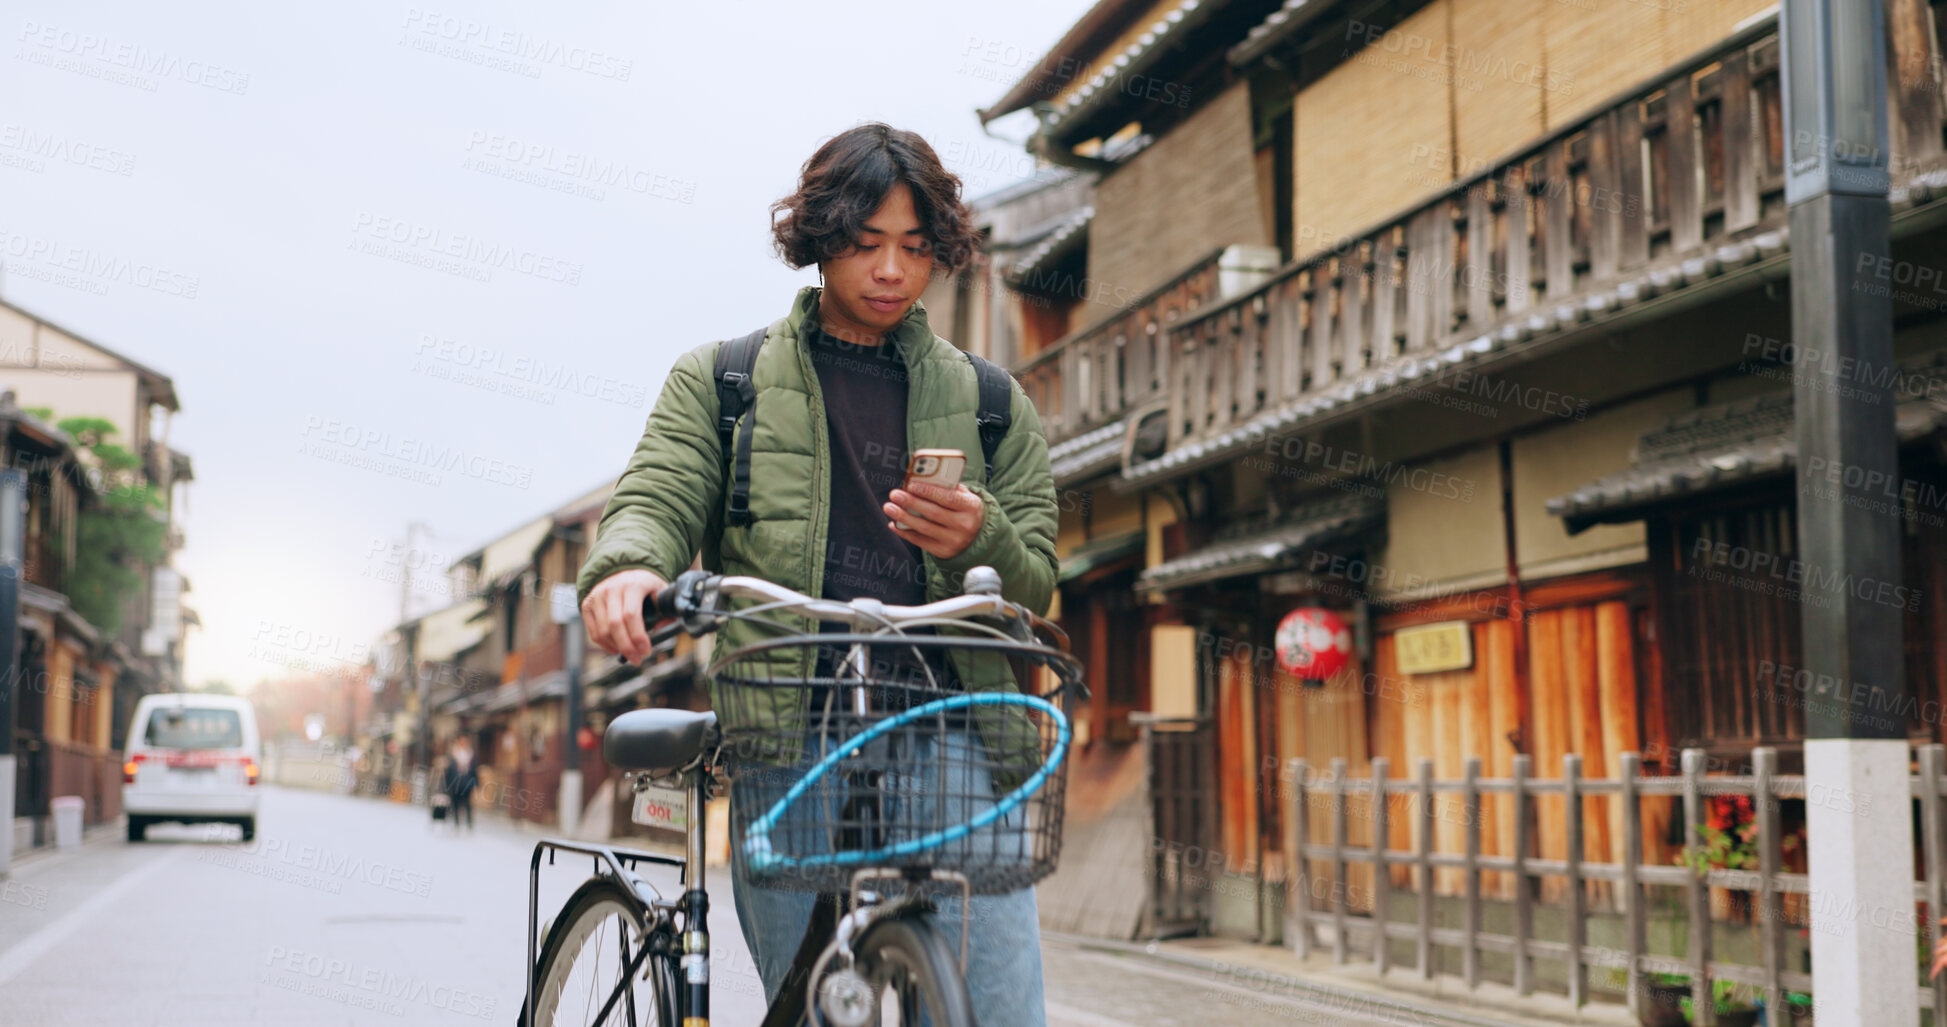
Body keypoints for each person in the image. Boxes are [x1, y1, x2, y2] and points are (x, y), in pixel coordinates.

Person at [575, 122, 1059, 1025]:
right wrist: (631, 567)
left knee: (995, 1007)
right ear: (820, 238)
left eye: (915, 249)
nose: (890, 271)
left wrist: (976, 534)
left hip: (952, 728)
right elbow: (658, 493)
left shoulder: (994, 403)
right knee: (811, 1003)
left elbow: (1033, 575)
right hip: (790, 725)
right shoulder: (721, 382)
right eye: (865, 243)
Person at [440, 738, 477, 831]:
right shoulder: (454, 754)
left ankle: (469, 823)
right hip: (455, 782)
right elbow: (449, 771)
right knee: (455, 803)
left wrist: (475, 783)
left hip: (467, 782)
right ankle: (457, 823)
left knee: (467, 803)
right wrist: (446, 784)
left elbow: (474, 770)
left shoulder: (471, 754)